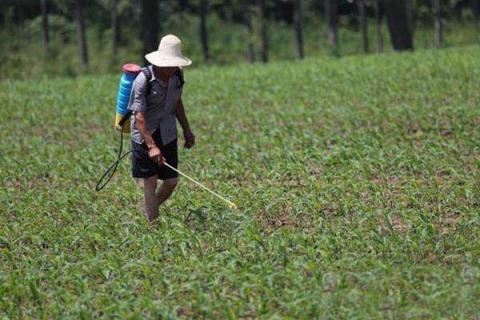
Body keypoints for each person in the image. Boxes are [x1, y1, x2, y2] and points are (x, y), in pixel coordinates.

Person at [128, 34, 195, 224]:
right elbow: (139, 116)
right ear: (160, 62)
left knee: (171, 181)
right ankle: (153, 227)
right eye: (170, 64)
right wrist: (151, 146)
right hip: (143, 135)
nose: (173, 68)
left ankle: (148, 211)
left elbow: (177, 102)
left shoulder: (177, 76)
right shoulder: (143, 80)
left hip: (167, 132)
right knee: (150, 180)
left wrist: (187, 130)